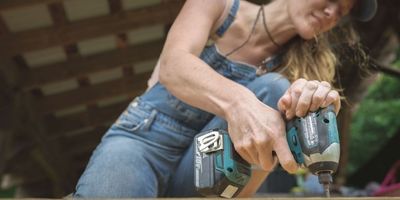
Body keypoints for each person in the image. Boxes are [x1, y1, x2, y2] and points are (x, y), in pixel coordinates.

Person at [74, 0, 377, 198]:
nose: (333, 13)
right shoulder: (218, 4)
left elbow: (249, 186)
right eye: (335, 0)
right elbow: (172, 65)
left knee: (274, 89)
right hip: (144, 139)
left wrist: (313, 102)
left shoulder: (297, 70)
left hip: (208, 168)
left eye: (342, 12)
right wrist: (240, 103)